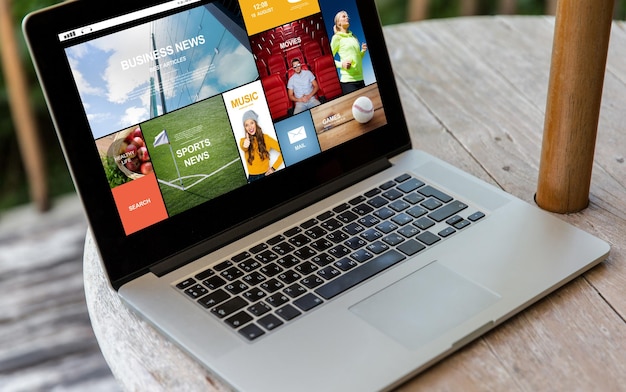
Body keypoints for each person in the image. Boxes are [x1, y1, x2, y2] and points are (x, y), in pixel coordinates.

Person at [239, 110, 283, 182]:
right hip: (252, 177)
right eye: (246, 125)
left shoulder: (266, 138)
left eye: (252, 123)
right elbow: (243, 146)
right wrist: (245, 144)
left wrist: (273, 168)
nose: (250, 127)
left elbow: (283, 150)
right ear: (245, 128)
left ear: (256, 123)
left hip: (265, 174)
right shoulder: (243, 141)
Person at [331, 10, 368, 94]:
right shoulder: (336, 38)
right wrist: (341, 64)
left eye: (347, 16)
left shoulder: (353, 37)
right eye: (344, 16)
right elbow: (329, 60)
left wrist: (362, 51)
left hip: (360, 79)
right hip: (348, 82)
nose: (347, 17)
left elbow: (357, 57)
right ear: (338, 23)